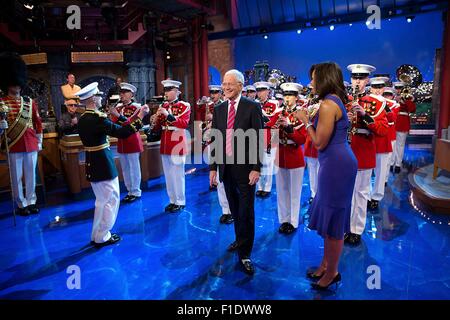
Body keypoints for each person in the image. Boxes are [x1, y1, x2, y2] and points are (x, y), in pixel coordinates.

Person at [294, 62, 357, 290]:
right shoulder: (332, 101)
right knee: (330, 217)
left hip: (337, 165)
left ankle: (332, 273)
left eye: (313, 78)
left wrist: (305, 121)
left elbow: (319, 143)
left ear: (324, 79)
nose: (311, 83)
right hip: (334, 163)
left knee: (334, 222)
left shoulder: (329, 105)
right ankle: (325, 265)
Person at [76, 82, 149, 247]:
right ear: (93, 99)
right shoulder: (97, 118)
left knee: (101, 201)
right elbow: (122, 133)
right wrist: (140, 119)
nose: (101, 99)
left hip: (92, 162)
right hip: (102, 162)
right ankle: (103, 236)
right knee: (110, 199)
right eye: (99, 96)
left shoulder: (83, 119)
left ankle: (97, 234)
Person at [209, 69, 263, 275]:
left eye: (230, 84)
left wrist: (256, 168)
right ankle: (240, 240)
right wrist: (213, 168)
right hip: (226, 170)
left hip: (246, 170)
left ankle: (246, 253)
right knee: (234, 209)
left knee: (246, 212)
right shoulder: (220, 109)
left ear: (240, 85)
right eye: (224, 84)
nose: (226, 87)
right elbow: (215, 139)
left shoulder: (252, 107)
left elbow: (258, 139)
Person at [345, 64, 389, 245]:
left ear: (367, 80)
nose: (357, 81)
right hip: (345, 151)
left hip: (363, 150)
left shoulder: (378, 103)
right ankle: (345, 226)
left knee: (361, 193)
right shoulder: (344, 99)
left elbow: (383, 129)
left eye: (361, 78)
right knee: (345, 192)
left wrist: (364, 116)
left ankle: (356, 229)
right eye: (355, 77)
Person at [0, 52, 43, 216]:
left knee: (31, 175)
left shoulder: (30, 102)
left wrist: (39, 142)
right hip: (13, 143)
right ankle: (21, 203)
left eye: (18, 83)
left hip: (30, 142)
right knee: (16, 178)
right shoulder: (2, 103)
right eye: (13, 82)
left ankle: (31, 201)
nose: (16, 86)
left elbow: (37, 123)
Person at [266, 82, 306, 234]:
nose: (288, 98)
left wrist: (289, 128)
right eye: (286, 95)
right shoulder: (278, 113)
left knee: (294, 191)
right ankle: (284, 220)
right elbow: (272, 135)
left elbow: (302, 140)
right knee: (282, 191)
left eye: (291, 95)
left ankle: (293, 221)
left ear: (296, 97)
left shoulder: (302, 113)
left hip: (295, 156)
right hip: (280, 155)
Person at [152, 79, 191, 213]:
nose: (166, 93)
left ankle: (180, 201)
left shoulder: (184, 105)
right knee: (168, 174)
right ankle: (172, 200)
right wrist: (156, 119)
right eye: (166, 90)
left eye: (169, 90)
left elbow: (183, 123)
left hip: (177, 141)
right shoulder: (164, 106)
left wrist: (167, 114)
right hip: (165, 141)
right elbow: (157, 128)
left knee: (177, 174)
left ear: (177, 92)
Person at [109, 82, 144, 203]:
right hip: (121, 141)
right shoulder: (118, 108)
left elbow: (130, 123)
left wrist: (117, 116)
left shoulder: (137, 107)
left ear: (131, 94)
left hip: (132, 140)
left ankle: (136, 191)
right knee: (125, 168)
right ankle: (129, 190)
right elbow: (113, 123)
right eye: (121, 92)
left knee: (134, 167)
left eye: (124, 92)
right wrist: (114, 114)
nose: (122, 94)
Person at [367, 77, 393, 210]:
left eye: (380, 87)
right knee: (365, 171)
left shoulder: (388, 103)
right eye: (375, 87)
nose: (377, 90)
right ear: (370, 88)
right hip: (368, 139)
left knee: (381, 171)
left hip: (382, 140)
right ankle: (365, 196)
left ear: (384, 89)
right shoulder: (365, 101)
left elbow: (392, 119)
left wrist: (386, 106)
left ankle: (376, 197)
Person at [254, 81, 280, 198]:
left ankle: (267, 188)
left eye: (262, 90)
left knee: (268, 164)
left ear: (268, 91)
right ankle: (259, 187)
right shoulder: (254, 104)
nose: (260, 93)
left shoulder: (273, 104)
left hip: (270, 137)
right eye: (258, 91)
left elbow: (273, 121)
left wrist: (263, 120)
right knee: (257, 164)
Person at [392, 81, 416, 173]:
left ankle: (398, 164)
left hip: (402, 122)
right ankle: (391, 163)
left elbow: (412, 109)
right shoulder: (390, 96)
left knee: (400, 145)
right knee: (392, 144)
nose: (398, 90)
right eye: (397, 88)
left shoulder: (408, 97)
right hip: (393, 122)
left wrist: (405, 101)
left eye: (400, 88)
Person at [382, 87, 400, 178]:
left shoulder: (395, 105)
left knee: (388, 158)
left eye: (389, 95)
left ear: (392, 96)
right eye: (385, 95)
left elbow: (392, 117)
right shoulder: (379, 103)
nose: (387, 97)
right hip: (380, 133)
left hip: (390, 133)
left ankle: (384, 179)